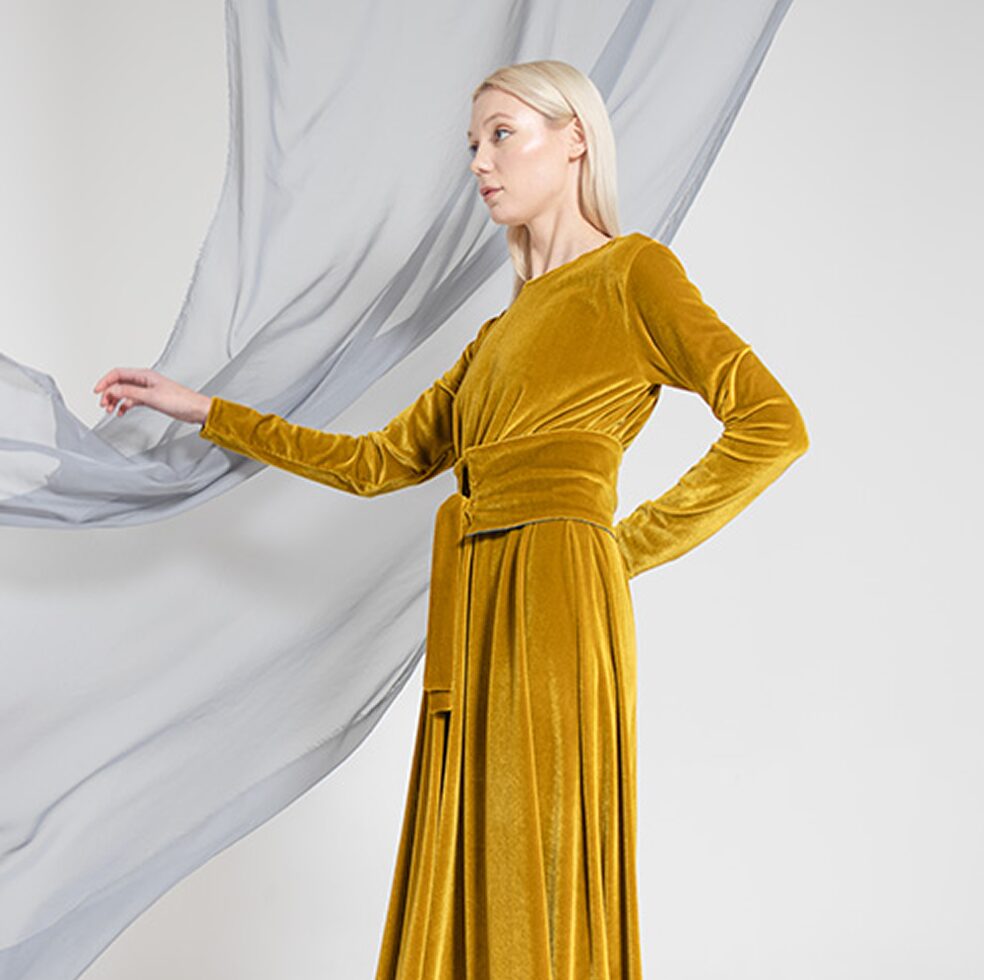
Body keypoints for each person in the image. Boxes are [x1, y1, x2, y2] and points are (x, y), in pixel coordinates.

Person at [93, 59, 808, 980]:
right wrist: (206, 410)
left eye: (503, 134)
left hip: (556, 595)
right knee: (480, 840)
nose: (480, 161)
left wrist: (617, 549)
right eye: (473, 143)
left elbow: (771, 424)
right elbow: (376, 462)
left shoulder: (636, 273)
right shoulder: (496, 334)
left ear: (575, 138)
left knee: (534, 834)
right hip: (475, 600)